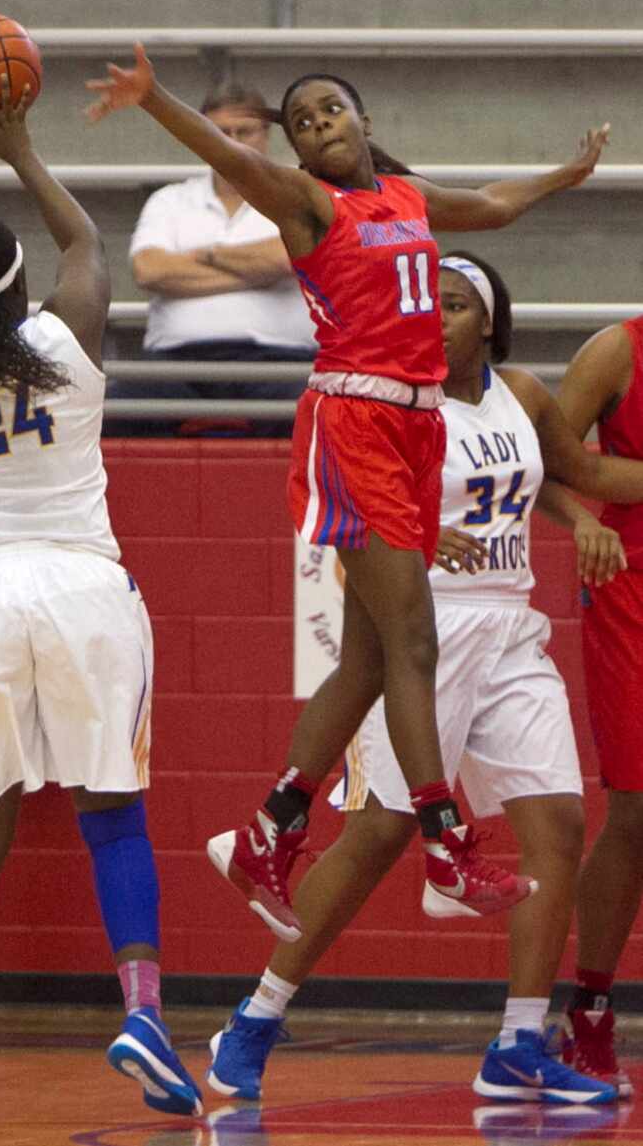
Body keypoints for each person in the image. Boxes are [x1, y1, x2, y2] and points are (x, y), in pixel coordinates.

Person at [86, 45, 610, 938]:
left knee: (370, 661)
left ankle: (266, 834)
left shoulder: (404, 200)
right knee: (415, 640)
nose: (319, 126)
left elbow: (489, 207)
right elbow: (232, 160)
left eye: (331, 110)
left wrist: (570, 172)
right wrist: (151, 99)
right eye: (302, 123)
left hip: (416, 427)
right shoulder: (306, 204)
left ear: (365, 122)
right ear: (295, 150)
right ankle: (445, 838)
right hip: (355, 420)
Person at [205, 252, 643, 1107]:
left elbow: (558, 475)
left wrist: (580, 519)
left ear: (488, 319)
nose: (432, 317)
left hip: (511, 626)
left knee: (557, 821)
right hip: (419, 629)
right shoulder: (390, 402)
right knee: (376, 836)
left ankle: (518, 1040)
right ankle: (255, 1018)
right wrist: (402, 537)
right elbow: (340, 507)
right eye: (425, 305)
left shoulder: (523, 392)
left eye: (451, 305)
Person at [0, 78, 201, 1124]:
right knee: (114, 817)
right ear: (17, 285)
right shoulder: (64, 343)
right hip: (83, 587)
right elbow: (88, 245)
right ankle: (143, 1012)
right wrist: (19, 150)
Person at [106, 81, 316, 437]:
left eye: (244, 131)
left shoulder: (296, 196)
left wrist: (203, 254)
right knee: (118, 411)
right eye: (220, 132)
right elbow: (149, 270)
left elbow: (284, 260)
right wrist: (258, 273)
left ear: (266, 134)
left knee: (314, 415)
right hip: (178, 363)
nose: (231, 141)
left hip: (281, 363)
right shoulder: (169, 200)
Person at [554, 310, 643, 1098]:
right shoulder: (617, 349)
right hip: (632, 588)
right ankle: (589, 1005)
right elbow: (544, 463)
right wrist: (592, 507)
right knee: (637, 809)